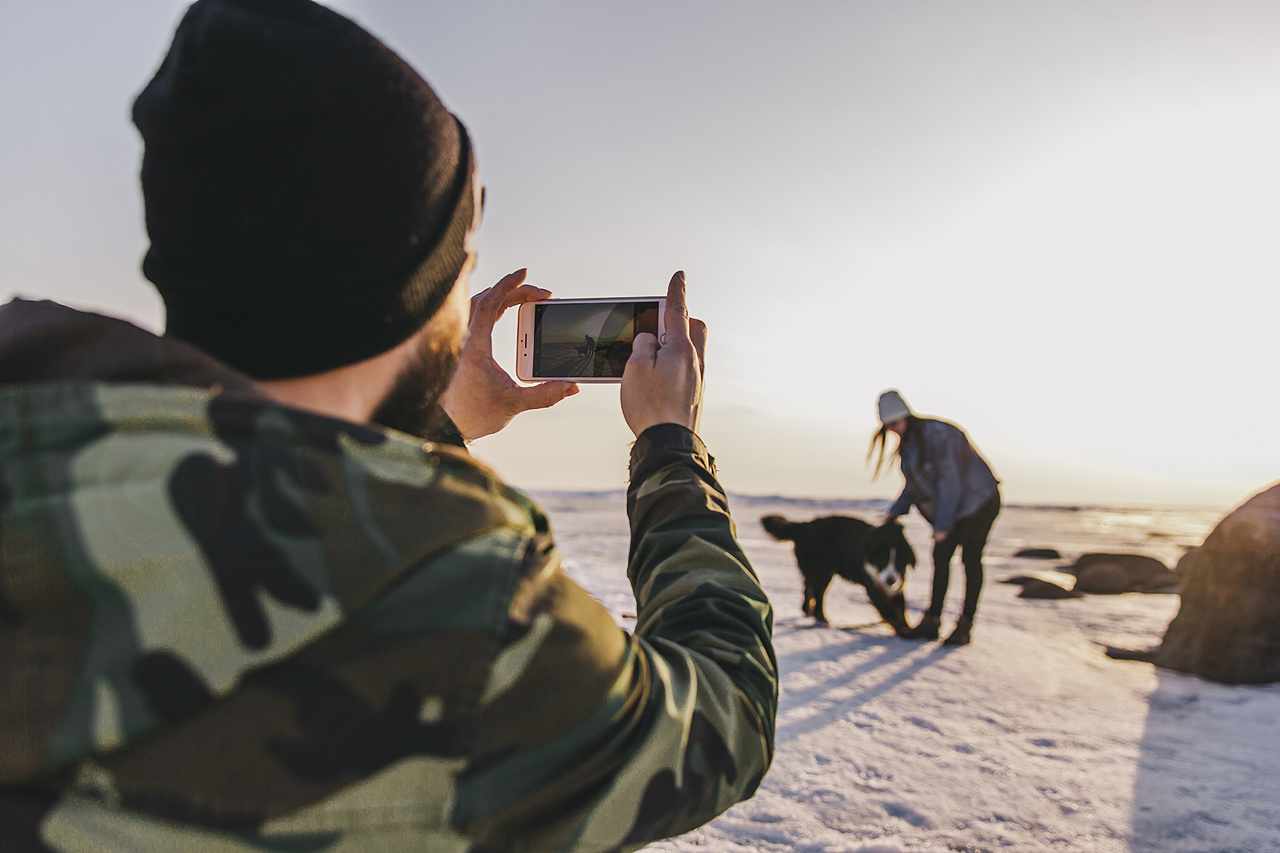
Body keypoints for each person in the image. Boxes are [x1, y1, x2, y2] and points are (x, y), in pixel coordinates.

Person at [0, 1, 777, 850]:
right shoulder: (465, 615)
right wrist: (670, 444)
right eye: (461, 259)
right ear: (413, 288)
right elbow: (720, 719)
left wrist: (441, 421)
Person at [868, 390, 1001, 646]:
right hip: (954, 507)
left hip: (978, 502)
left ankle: (965, 625)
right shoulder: (909, 445)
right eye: (888, 427)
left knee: (970, 559)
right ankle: (932, 621)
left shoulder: (939, 435)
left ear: (907, 416)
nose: (893, 431)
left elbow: (950, 482)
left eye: (895, 424)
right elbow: (914, 485)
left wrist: (943, 524)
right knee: (941, 557)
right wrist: (895, 510)